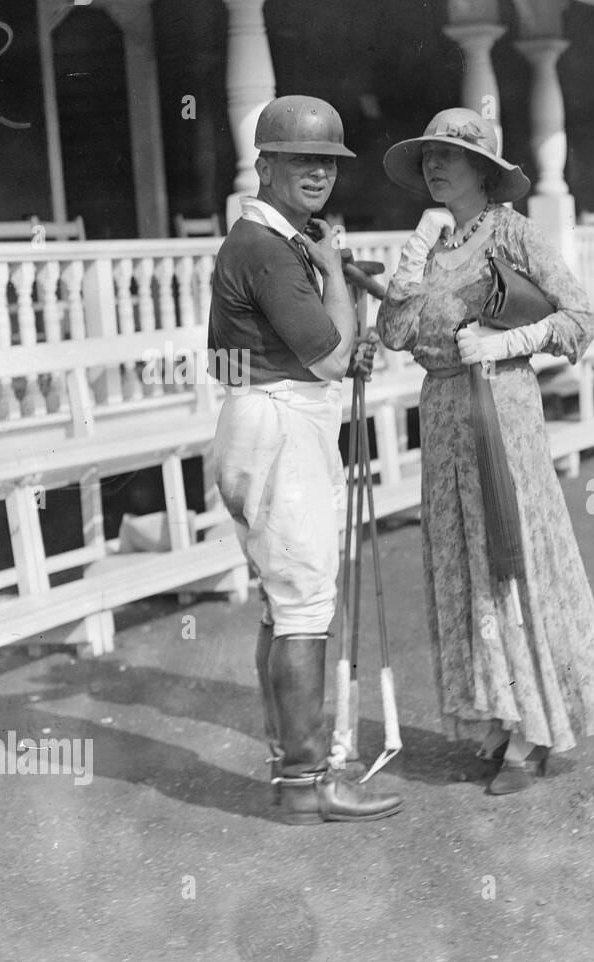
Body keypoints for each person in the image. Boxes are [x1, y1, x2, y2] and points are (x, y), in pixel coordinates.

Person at [377, 108, 594, 796]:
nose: (436, 167)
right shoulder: (432, 243)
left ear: (484, 171)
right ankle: (493, 711)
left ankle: (534, 726)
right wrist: (407, 271)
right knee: (460, 558)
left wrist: (505, 342)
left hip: (501, 408)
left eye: (451, 157)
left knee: (507, 556)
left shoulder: (513, 233)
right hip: (442, 415)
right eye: (429, 156)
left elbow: (581, 316)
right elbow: (398, 333)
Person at [209, 95, 403, 825]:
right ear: (265, 165)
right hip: (280, 424)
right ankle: (307, 782)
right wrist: (331, 276)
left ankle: (293, 773)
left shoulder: (266, 242)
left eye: (328, 160)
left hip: (262, 417)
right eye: (300, 159)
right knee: (304, 608)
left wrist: (321, 271)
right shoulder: (265, 247)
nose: (319, 172)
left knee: (284, 605)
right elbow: (332, 358)